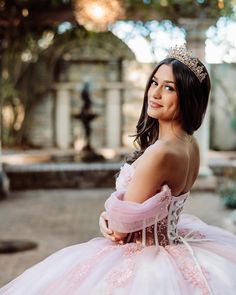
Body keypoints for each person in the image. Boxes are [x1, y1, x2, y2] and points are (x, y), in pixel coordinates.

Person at [1, 44, 236, 294]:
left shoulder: (160, 153)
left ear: (188, 97)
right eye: (154, 82)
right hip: (176, 243)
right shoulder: (191, 144)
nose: (154, 93)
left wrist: (106, 218)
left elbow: (121, 229)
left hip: (146, 258)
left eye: (169, 88)